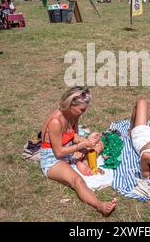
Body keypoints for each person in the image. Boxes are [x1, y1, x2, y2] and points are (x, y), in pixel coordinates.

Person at [40, 86, 118, 217]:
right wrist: (82, 145)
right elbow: (58, 152)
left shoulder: (73, 115)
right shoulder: (56, 121)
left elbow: (73, 136)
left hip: (68, 153)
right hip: (53, 159)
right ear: (70, 105)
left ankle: (82, 165)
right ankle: (100, 206)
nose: (83, 112)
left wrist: (87, 139)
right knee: (77, 180)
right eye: (82, 109)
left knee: (99, 145)